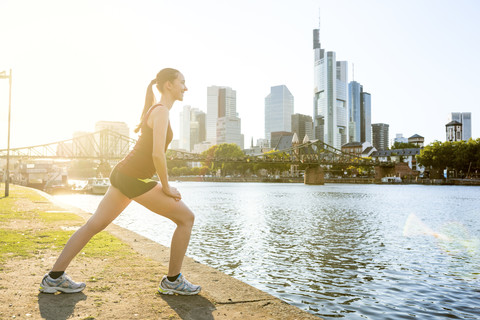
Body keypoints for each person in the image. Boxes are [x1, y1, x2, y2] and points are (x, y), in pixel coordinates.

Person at [39, 68, 201, 295]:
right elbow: (157, 155)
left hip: (125, 174)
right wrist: (165, 186)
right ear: (169, 85)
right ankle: (173, 280)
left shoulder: (158, 109)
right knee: (186, 218)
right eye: (182, 82)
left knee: (94, 225)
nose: (186, 87)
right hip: (132, 177)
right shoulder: (161, 111)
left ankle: (53, 278)